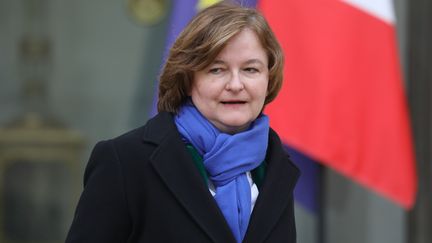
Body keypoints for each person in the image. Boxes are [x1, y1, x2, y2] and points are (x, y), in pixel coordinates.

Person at [66, 2, 300, 243]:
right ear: (188, 79)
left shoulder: (275, 166)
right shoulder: (125, 160)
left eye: (250, 69)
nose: (235, 85)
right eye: (216, 70)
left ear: (268, 79)